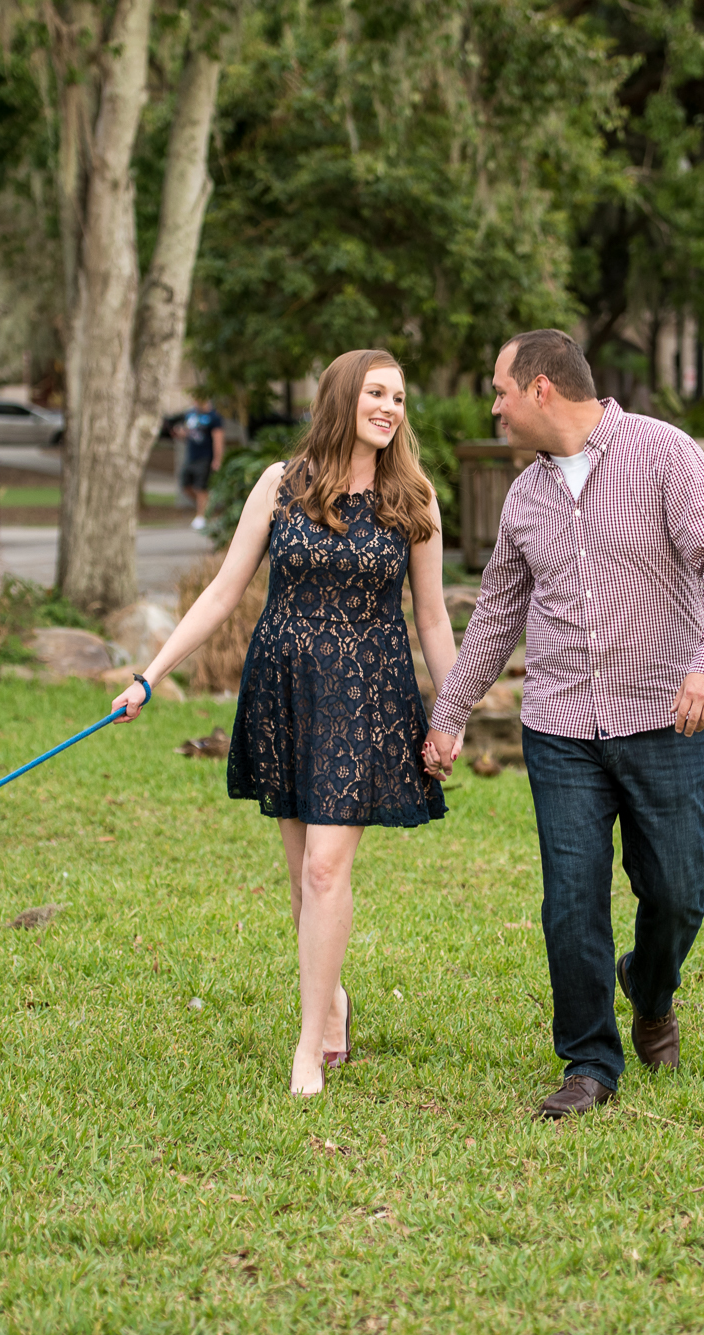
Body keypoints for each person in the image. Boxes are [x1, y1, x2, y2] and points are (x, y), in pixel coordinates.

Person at [422, 329, 704, 1120]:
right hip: (561, 724)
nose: (494, 406)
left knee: (677, 891)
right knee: (572, 899)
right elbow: (498, 613)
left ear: (542, 389)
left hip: (662, 715)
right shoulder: (524, 497)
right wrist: (451, 711)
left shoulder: (663, 453)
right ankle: (590, 1062)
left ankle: (651, 985)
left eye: (501, 390)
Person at [113, 350, 455, 1097]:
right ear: (340, 396)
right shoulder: (281, 484)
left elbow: (431, 616)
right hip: (285, 689)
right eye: (375, 392)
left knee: (328, 866)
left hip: (367, 694)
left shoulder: (414, 496)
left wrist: (450, 713)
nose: (390, 407)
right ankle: (330, 997)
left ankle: (310, 1046)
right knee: (303, 877)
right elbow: (223, 592)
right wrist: (151, 673)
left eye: (399, 396)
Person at [176, 397, 225, 531]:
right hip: (191, 457)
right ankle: (205, 506)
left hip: (206, 457)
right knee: (186, 486)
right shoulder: (191, 415)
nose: (196, 402)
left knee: (201, 488)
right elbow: (187, 433)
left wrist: (217, 459)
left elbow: (218, 439)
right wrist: (180, 433)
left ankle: (201, 516)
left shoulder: (214, 417)